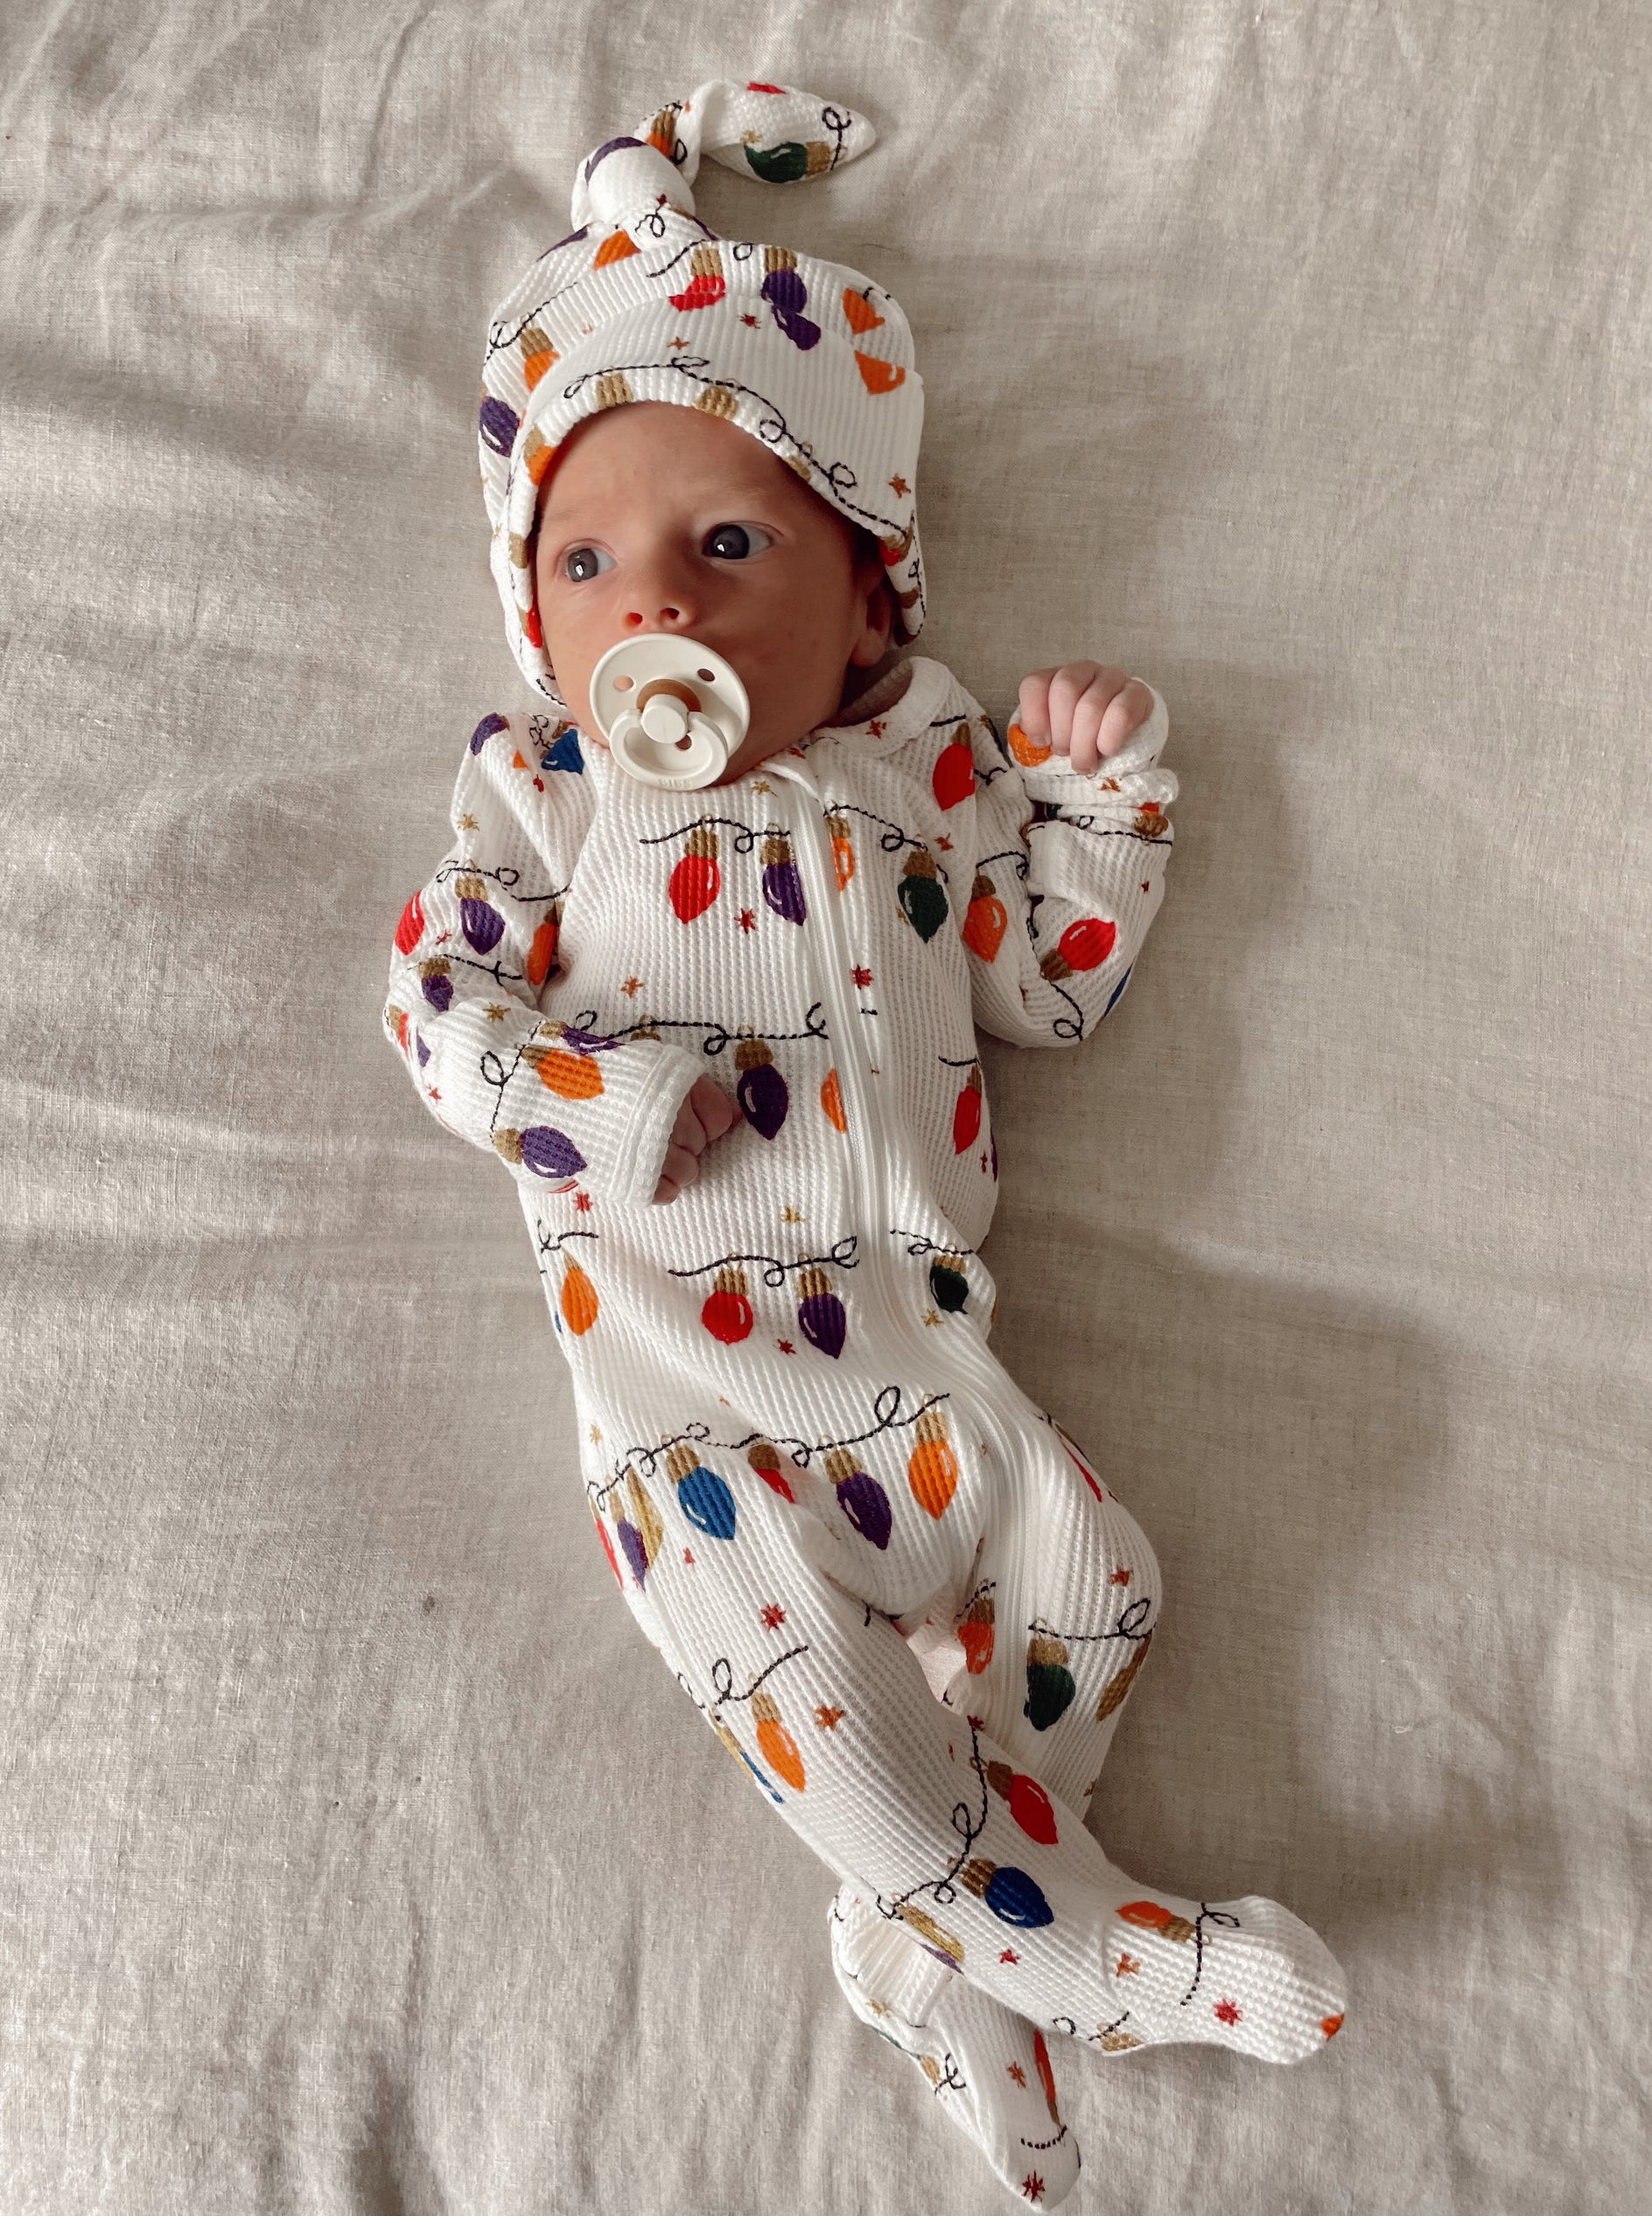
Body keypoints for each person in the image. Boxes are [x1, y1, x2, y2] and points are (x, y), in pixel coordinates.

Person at [383, 79, 1346, 2210]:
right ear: (532, 619)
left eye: (732, 542)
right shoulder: (549, 794)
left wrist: (1099, 809)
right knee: (843, 1724)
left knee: (1101, 1583)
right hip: (687, 1385)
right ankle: (1093, 1953)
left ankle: (928, 1965)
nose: (664, 607)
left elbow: (1049, 988)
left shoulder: (916, 773)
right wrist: (603, 1103)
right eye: (586, 558)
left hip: (922, 1357)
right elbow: (436, 1011)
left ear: (865, 591)